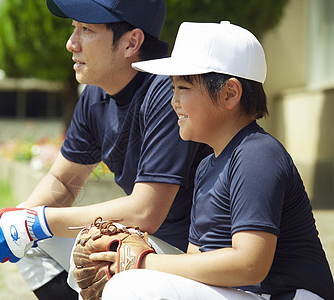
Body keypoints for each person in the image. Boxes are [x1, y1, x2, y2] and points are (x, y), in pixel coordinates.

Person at [0, 1, 211, 299]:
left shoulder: (168, 91)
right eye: (74, 28)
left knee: (90, 247)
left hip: (189, 258)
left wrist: (36, 223)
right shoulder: (95, 95)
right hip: (143, 242)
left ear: (132, 42)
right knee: (21, 228)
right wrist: (21, 220)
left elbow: (145, 211)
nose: (70, 44)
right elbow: (64, 180)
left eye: (86, 29)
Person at [88, 21, 334, 300]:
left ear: (230, 93)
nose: (174, 102)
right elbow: (196, 259)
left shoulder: (257, 153)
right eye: (173, 89)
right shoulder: (206, 166)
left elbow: (250, 264)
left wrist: (143, 262)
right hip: (244, 294)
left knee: (130, 286)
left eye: (183, 88)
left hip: (289, 295)